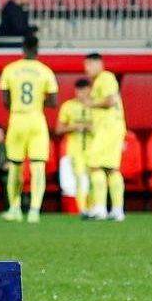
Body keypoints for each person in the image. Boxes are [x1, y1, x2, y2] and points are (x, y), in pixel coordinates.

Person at [0, 36, 58, 222]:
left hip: (17, 119)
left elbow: (6, 100)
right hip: (36, 119)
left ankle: (14, 208)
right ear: (37, 49)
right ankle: (34, 210)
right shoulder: (45, 71)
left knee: (15, 166)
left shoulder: (10, 69)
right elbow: (54, 101)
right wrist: (40, 101)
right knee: (38, 166)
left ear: (22, 49)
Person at [82, 53, 126, 221]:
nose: (86, 69)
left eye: (88, 64)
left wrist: (90, 103)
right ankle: (117, 210)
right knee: (111, 168)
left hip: (109, 128)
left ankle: (100, 208)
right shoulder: (101, 80)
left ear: (97, 63)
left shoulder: (105, 77)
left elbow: (111, 101)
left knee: (95, 165)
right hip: (112, 127)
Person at [54, 77, 91, 211]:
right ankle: (75, 212)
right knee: (70, 184)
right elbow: (58, 129)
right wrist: (74, 127)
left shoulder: (96, 106)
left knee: (88, 182)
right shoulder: (68, 106)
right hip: (71, 150)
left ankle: (91, 210)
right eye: (79, 91)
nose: (81, 93)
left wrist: (89, 126)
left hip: (92, 151)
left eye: (84, 90)